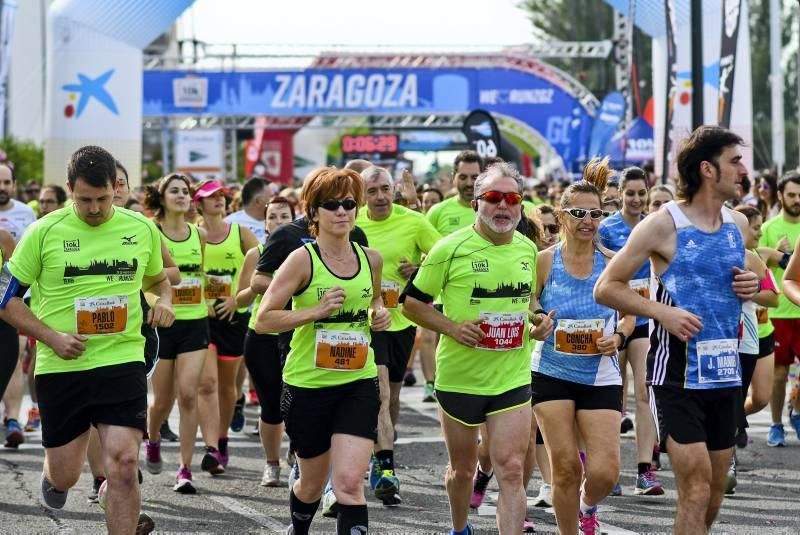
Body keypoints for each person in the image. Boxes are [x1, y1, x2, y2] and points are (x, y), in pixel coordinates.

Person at [0, 145, 175, 534]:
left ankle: (114, 499)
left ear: (116, 187)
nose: (94, 208)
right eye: (84, 200)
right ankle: (60, 478)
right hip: (63, 365)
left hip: (122, 359)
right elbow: (5, 299)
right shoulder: (42, 232)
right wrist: (51, 337)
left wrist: (164, 302)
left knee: (125, 465)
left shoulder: (140, 227)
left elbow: (161, 279)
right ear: (68, 189)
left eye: (102, 198)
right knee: (64, 477)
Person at [595, 126, 760, 533]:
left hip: (725, 372)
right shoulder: (662, 224)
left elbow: (747, 283)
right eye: (734, 161)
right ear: (707, 168)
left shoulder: (737, 224)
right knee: (697, 487)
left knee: (716, 489)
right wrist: (661, 314)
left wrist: (750, 286)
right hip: (675, 376)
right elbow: (607, 287)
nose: (742, 170)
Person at [402, 162, 553, 534]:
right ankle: (459, 527)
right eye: (493, 198)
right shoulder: (448, 249)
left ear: (521, 206)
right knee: (463, 470)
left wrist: (539, 320)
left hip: (511, 376)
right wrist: (452, 327)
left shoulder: (526, 249)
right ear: (475, 204)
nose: (503, 206)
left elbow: (528, 299)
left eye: (512, 199)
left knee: (512, 470)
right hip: (460, 378)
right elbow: (411, 303)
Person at [256, 166, 389, 535]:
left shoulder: (370, 258)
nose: (343, 211)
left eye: (349, 203)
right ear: (313, 212)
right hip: (308, 386)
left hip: (357, 382)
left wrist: (379, 315)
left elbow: (376, 299)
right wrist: (315, 311)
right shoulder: (302, 260)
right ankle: (298, 528)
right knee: (312, 484)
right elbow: (264, 319)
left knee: (348, 484)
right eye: (332, 205)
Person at [530, 158, 634, 534]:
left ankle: (587, 506)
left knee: (606, 473)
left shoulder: (612, 264)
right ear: (562, 215)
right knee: (566, 468)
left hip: (599, 374)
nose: (588, 220)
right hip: (552, 372)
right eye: (579, 213)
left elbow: (630, 314)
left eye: (596, 213)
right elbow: (530, 303)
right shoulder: (543, 262)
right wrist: (538, 320)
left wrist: (619, 336)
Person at [355, 165, 441, 506]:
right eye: (372, 190)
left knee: (390, 397)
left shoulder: (414, 221)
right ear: (363, 194)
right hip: (365, 322)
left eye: (385, 189)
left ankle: (380, 450)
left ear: (394, 190)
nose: (379, 196)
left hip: (401, 322)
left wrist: (418, 270)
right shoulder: (352, 221)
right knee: (378, 394)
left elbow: (441, 258)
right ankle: (383, 463)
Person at [143, 173, 212, 493]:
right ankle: (153, 437)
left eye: (186, 191)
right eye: (175, 191)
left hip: (195, 321)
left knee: (188, 393)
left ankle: (184, 468)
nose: (183, 196)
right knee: (162, 400)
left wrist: (212, 299)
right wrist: (157, 303)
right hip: (162, 323)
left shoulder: (199, 233)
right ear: (161, 197)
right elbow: (150, 278)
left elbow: (201, 273)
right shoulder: (151, 232)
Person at [597, 166, 663, 496]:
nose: (636, 199)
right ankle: (610, 473)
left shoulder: (656, 226)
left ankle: (644, 471)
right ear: (619, 194)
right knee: (615, 395)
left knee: (645, 389)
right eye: (630, 193)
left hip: (644, 319)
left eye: (641, 193)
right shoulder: (607, 228)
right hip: (614, 318)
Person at [195, 180, 259, 470]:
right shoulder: (194, 234)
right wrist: (200, 296)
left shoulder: (240, 232)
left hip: (234, 317)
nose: (219, 200)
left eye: (222, 195)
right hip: (203, 317)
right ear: (199, 203)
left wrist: (238, 297)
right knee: (207, 383)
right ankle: (210, 447)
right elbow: (185, 270)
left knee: (228, 388)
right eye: (212, 197)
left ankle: (221, 441)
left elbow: (263, 262)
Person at [235, 196, 295, 487]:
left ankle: (297, 453)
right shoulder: (255, 253)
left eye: (285, 216)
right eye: (273, 217)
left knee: (299, 400)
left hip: (298, 334)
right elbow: (239, 299)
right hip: (261, 336)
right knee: (270, 405)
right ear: (265, 222)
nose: (279, 222)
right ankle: (272, 464)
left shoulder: (305, 252)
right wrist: (255, 289)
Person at [759, 171, 800, 447]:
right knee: (779, 374)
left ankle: (795, 408)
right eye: (792, 195)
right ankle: (776, 425)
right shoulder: (768, 228)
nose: (798, 200)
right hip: (779, 314)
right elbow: (758, 265)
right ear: (781, 196)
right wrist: (775, 252)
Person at [0, 162, 37, 447]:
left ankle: (13, 418)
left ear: (14, 184)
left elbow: (16, 272)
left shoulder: (24, 217)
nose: (1, 188)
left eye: (6, 182)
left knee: (13, 361)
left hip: (11, 307)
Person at [425, 150, 482, 236]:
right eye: (463, 177)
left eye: (474, 177)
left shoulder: (493, 211)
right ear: (453, 177)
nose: (469, 183)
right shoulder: (436, 212)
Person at [224, 178, 272, 243]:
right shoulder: (229, 224)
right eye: (271, 197)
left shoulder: (280, 221)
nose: (275, 200)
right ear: (258, 201)